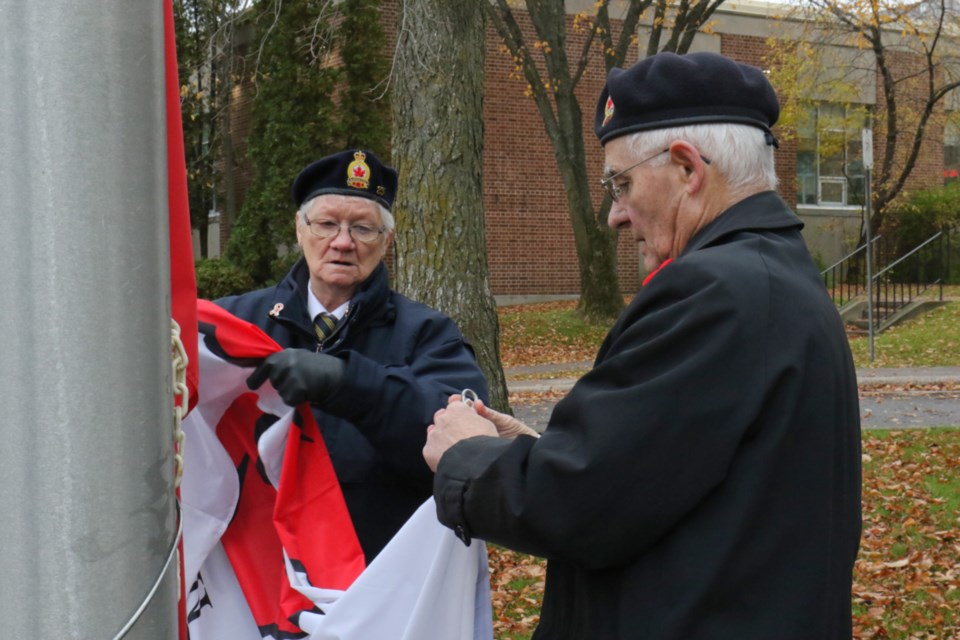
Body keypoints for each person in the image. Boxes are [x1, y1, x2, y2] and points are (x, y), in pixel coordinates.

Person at [424, 52, 862, 639]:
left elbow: (583, 508)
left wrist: (467, 457)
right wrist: (533, 448)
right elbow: (672, 477)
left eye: (622, 184)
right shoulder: (772, 277)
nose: (615, 216)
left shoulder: (714, 291)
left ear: (687, 168)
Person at [218, 148, 489, 563]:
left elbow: (463, 444)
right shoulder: (235, 323)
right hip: (258, 572)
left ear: (387, 240)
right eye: (327, 224)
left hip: (375, 573)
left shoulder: (427, 334)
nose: (342, 243)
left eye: (363, 228)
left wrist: (349, 383)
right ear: (299, 228)